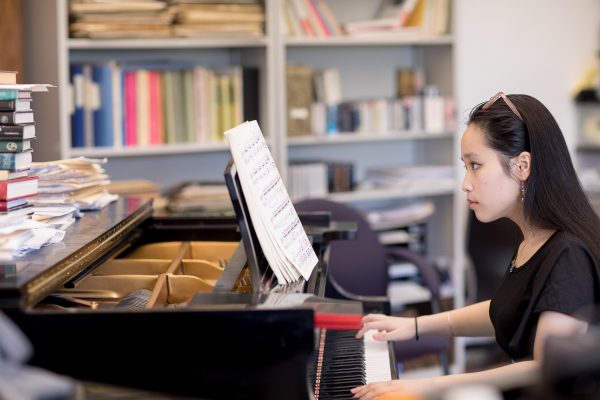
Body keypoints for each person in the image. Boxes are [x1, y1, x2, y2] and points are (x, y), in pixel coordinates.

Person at [351, 92, 600, 399]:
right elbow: (508, 309)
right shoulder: (535, 239)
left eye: (475, 165)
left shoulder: (569, 255)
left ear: (523, 166)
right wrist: (414, 326)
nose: (465, 183)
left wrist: (425, 387)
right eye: (465, 166)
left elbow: (541, 366)